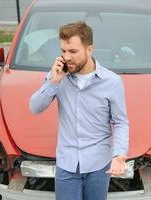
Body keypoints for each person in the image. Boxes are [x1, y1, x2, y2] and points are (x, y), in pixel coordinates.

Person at [29, 21, 129, 200]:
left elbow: (120, 121)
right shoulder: (57, 76)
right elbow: (34, 108)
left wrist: (120, 155)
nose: (67, 57)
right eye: (63, 51)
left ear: (89, 50)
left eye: (73, 51)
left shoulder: (112, 82)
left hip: (99, 165)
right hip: (67, 164)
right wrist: (53, 82)